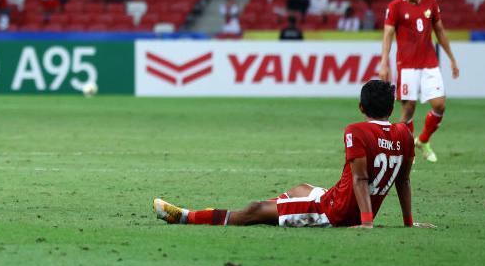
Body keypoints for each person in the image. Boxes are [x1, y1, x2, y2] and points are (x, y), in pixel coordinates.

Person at [154, 80, 434, 229]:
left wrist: (366, 223)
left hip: (334, 213)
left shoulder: (357, 130)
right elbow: (403, 181)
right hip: (336, 197)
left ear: (361, 107)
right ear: (390, 106)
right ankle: (275, 209)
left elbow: (361, 180)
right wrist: (409, 223)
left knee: (253, 211)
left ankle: (183, 217)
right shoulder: (404, 134)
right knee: (302, 187)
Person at [377, 0, 459, 163]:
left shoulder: (431, 3)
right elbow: (388, 34)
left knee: (439, 105)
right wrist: (384, 63)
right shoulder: (395, 6)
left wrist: (452, 58)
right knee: (409, 108)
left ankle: (422, 141)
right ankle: (404, 149)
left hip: (429, 62)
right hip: (406, 65)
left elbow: (439, 31)